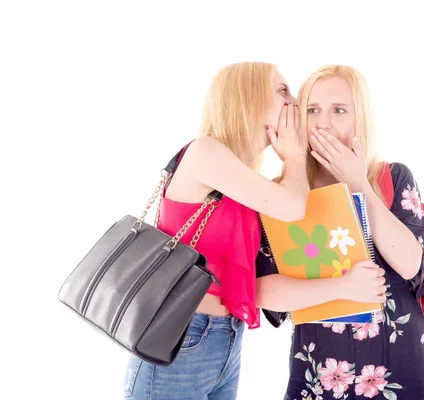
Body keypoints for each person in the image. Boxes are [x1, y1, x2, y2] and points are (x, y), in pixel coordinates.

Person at [124, 62, 309, 400]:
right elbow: (293, 207)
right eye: (282, 90)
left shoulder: (241, 178)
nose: (293, 101)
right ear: (248, 98)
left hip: (225, 338)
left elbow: (297, 207)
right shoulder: (205, 152)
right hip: (182, 337)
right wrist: (294, 158)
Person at [256, 65, 424, 399]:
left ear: (360, 118)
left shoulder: (394, 177)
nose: (323, 122)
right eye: (313, 110)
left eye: (339, 110)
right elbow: (265, 292)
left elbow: (410, 264)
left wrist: (359, 184)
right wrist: (341, 286)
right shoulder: (284, 194)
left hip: (397, 362)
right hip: (320, 368)